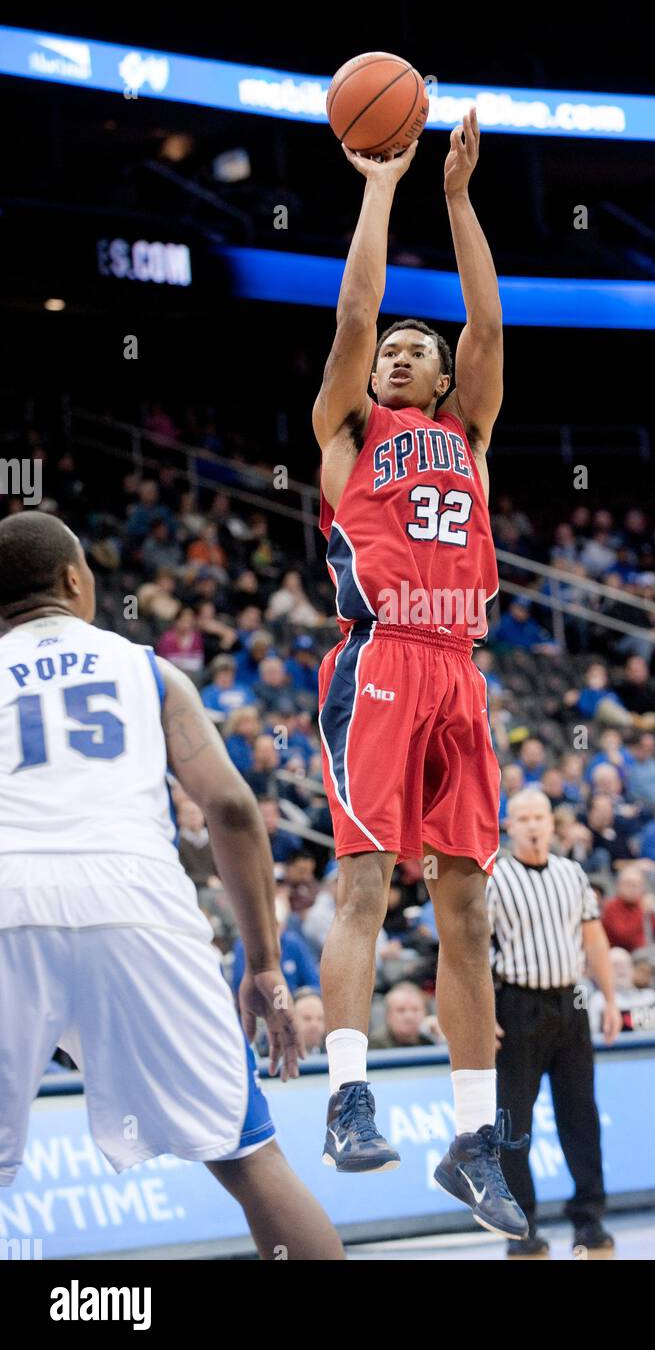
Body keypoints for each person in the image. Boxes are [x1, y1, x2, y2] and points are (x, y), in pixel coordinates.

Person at [0, 511, 342, 1260]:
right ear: (75, 581)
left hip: (9, 907)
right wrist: (260, 964)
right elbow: (229, 808)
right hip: (138, 909)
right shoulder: (147, 669)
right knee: (250, 1158)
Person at [310, 110, 527, 1238]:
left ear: (443, 380)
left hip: (460, 671)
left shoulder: (472, 433)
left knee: (466, 909)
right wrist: (384, 184)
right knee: (364, 886)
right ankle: (348, 1095)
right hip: (380, 660)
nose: (394, 351)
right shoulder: (347, 430)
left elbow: (488, 322)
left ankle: (472, 1142)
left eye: (413, 350)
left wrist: (457, 197)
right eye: (387, 349)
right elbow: (352, 309)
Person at [488, 789, 621, 1260]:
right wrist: (483, 1015)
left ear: (551, 822)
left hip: (571, 1004)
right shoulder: (494, 878)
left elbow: (593, 936)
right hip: (516, 1008)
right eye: (522, 818)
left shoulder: (572, 873)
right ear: (509, 826)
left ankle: (590, 1222)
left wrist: (609, 998)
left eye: (539, 816)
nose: (532, 825)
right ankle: (521, 1231)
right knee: (513, 1125)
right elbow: (469, 953)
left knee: (581, 1116)